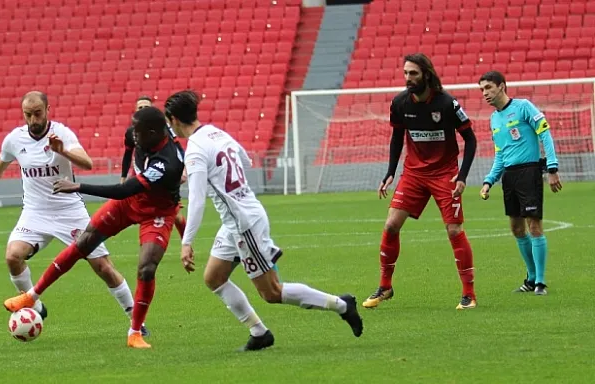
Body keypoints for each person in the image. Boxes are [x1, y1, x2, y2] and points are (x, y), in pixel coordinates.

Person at [170, 90, 363, 352]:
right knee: (214, 277)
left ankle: (341, 304)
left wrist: (186, 242)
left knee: (271, 292)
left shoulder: (194, 150)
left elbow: (196, 200)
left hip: (244, 223)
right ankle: (259, 332)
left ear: (174, 120)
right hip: (235, 221)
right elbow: (244, 158)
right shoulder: (215, 133)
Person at [0, 92, 143, 334]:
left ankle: (136, 320)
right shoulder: (15, 139)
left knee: (103, 266)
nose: (33, 119)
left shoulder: (62, 133)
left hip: (69, 210)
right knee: (13, 256)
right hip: (35, 212)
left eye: (37, 113)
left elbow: (87, 163)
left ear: (47, 109)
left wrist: (63, 151)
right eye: (28, 115)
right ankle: (35, 305)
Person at [3, 106, 185, 349]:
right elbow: (129, 152)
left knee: (146, 268)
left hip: (157, 212)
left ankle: (135, 332)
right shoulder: (140, 133)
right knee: (84, 243)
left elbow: (123, 191)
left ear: (154, 132)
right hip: (131, 202)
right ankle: (31, 296)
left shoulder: (168, 163)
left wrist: (79, 187)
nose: (133, 135)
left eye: (139, 132)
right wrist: (124, 170)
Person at [364, 53, 479, 310]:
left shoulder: (448, 103)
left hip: (445, 172)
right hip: (414, 173)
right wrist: (390, 171)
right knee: (392, 224)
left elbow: (470, 139)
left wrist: (462, 177)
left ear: (426, 74)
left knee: (454, 230)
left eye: (413, 73)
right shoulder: (400, 103)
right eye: (405, 73)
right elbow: (397, 137)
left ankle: (469, 294)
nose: (408, 78)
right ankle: (385, 286)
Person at [478, 71, 562, 296]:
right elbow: (500, 155)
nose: (485, 93)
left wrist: (552, 168)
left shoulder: (524, 107)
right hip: (509, 177)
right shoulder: (494, 119)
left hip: (529, 172)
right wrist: (489, 180)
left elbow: (545, 133)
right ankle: (531, 277)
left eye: (488, 88)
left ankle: (541, 283)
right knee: (516, 228)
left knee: (534, 226)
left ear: (502, 86)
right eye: (482, 90)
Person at [121, 96, 187, 239]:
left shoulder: (163, 129)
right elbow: (127, 154)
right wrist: (123, 177)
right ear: (135, 111)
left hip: (160, 173)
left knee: (175, 215)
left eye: (146, 107)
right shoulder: (131, 133)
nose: (143, 110)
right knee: (128, 205)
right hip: (140, 173)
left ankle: (186, 240)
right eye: (140, 108)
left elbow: (177, 147)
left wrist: (183, 169)